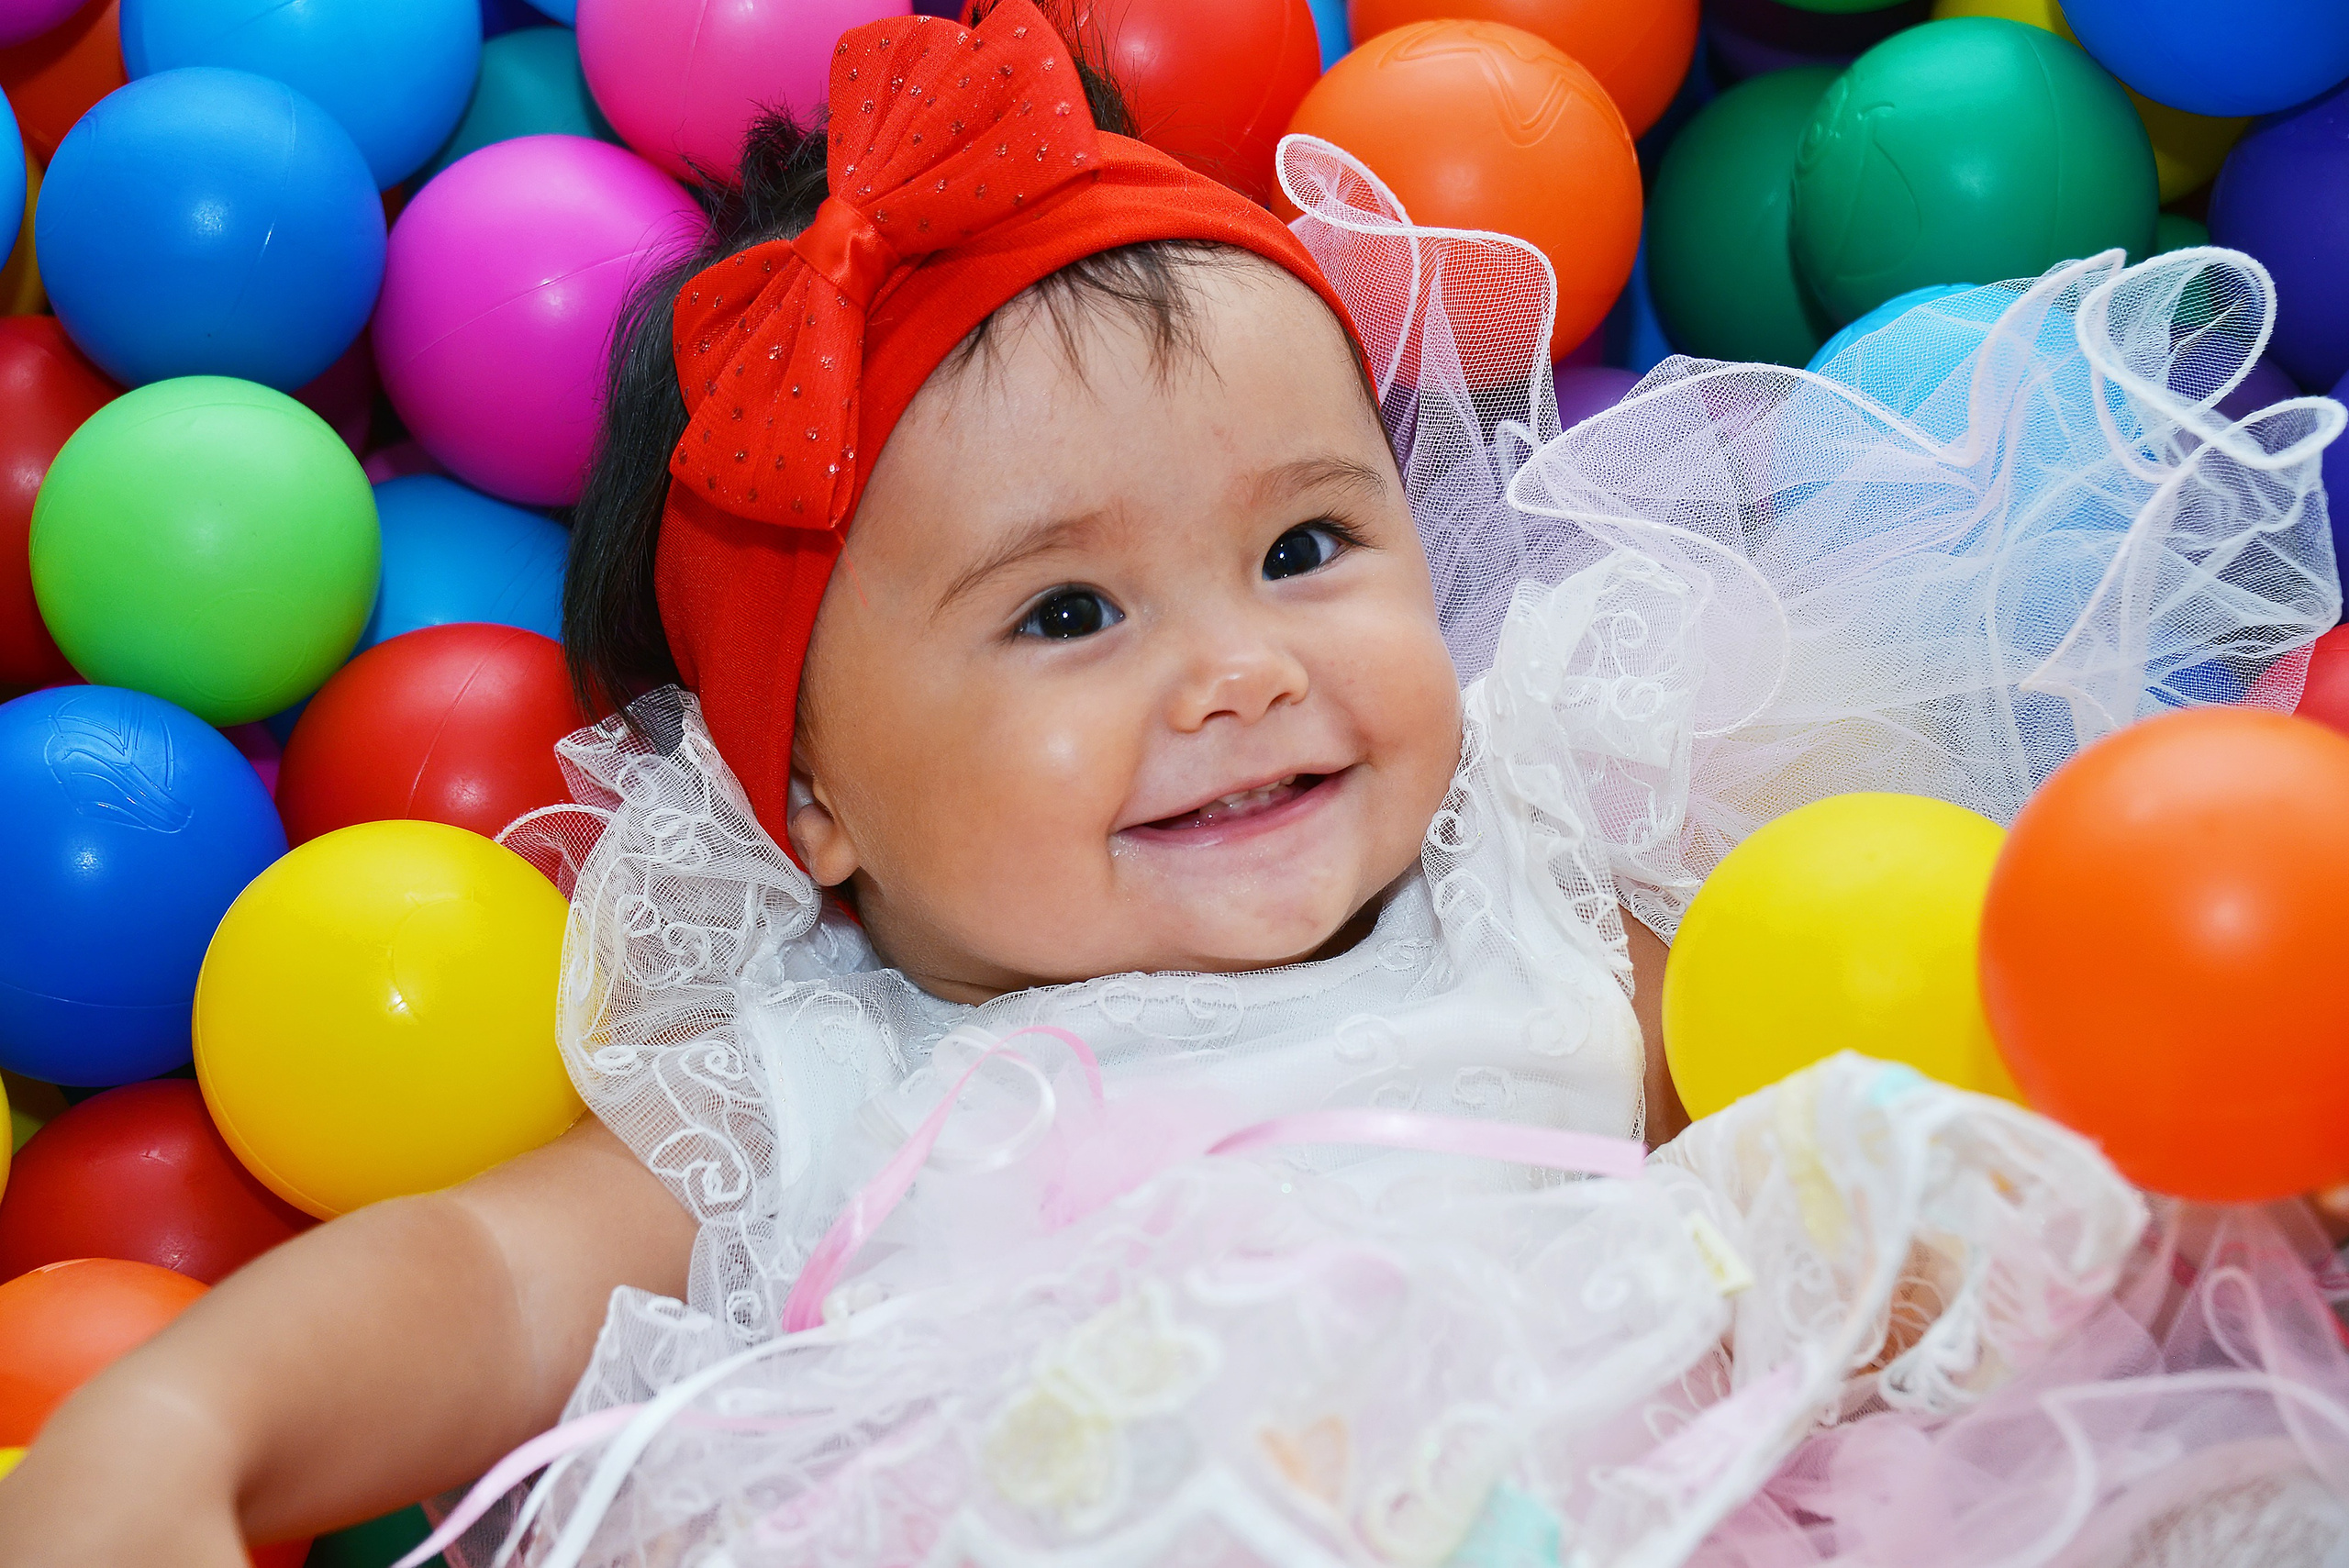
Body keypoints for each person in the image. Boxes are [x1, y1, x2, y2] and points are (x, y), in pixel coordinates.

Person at [4, 5, 2344, 1564]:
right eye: (1063, 614)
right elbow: (477, 1277)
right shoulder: (820, 1069)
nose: (1239, 669)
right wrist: (181, 1429)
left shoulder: (1536, 880)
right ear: (809, 802)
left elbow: (1846, 1143)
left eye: (1308, 545)